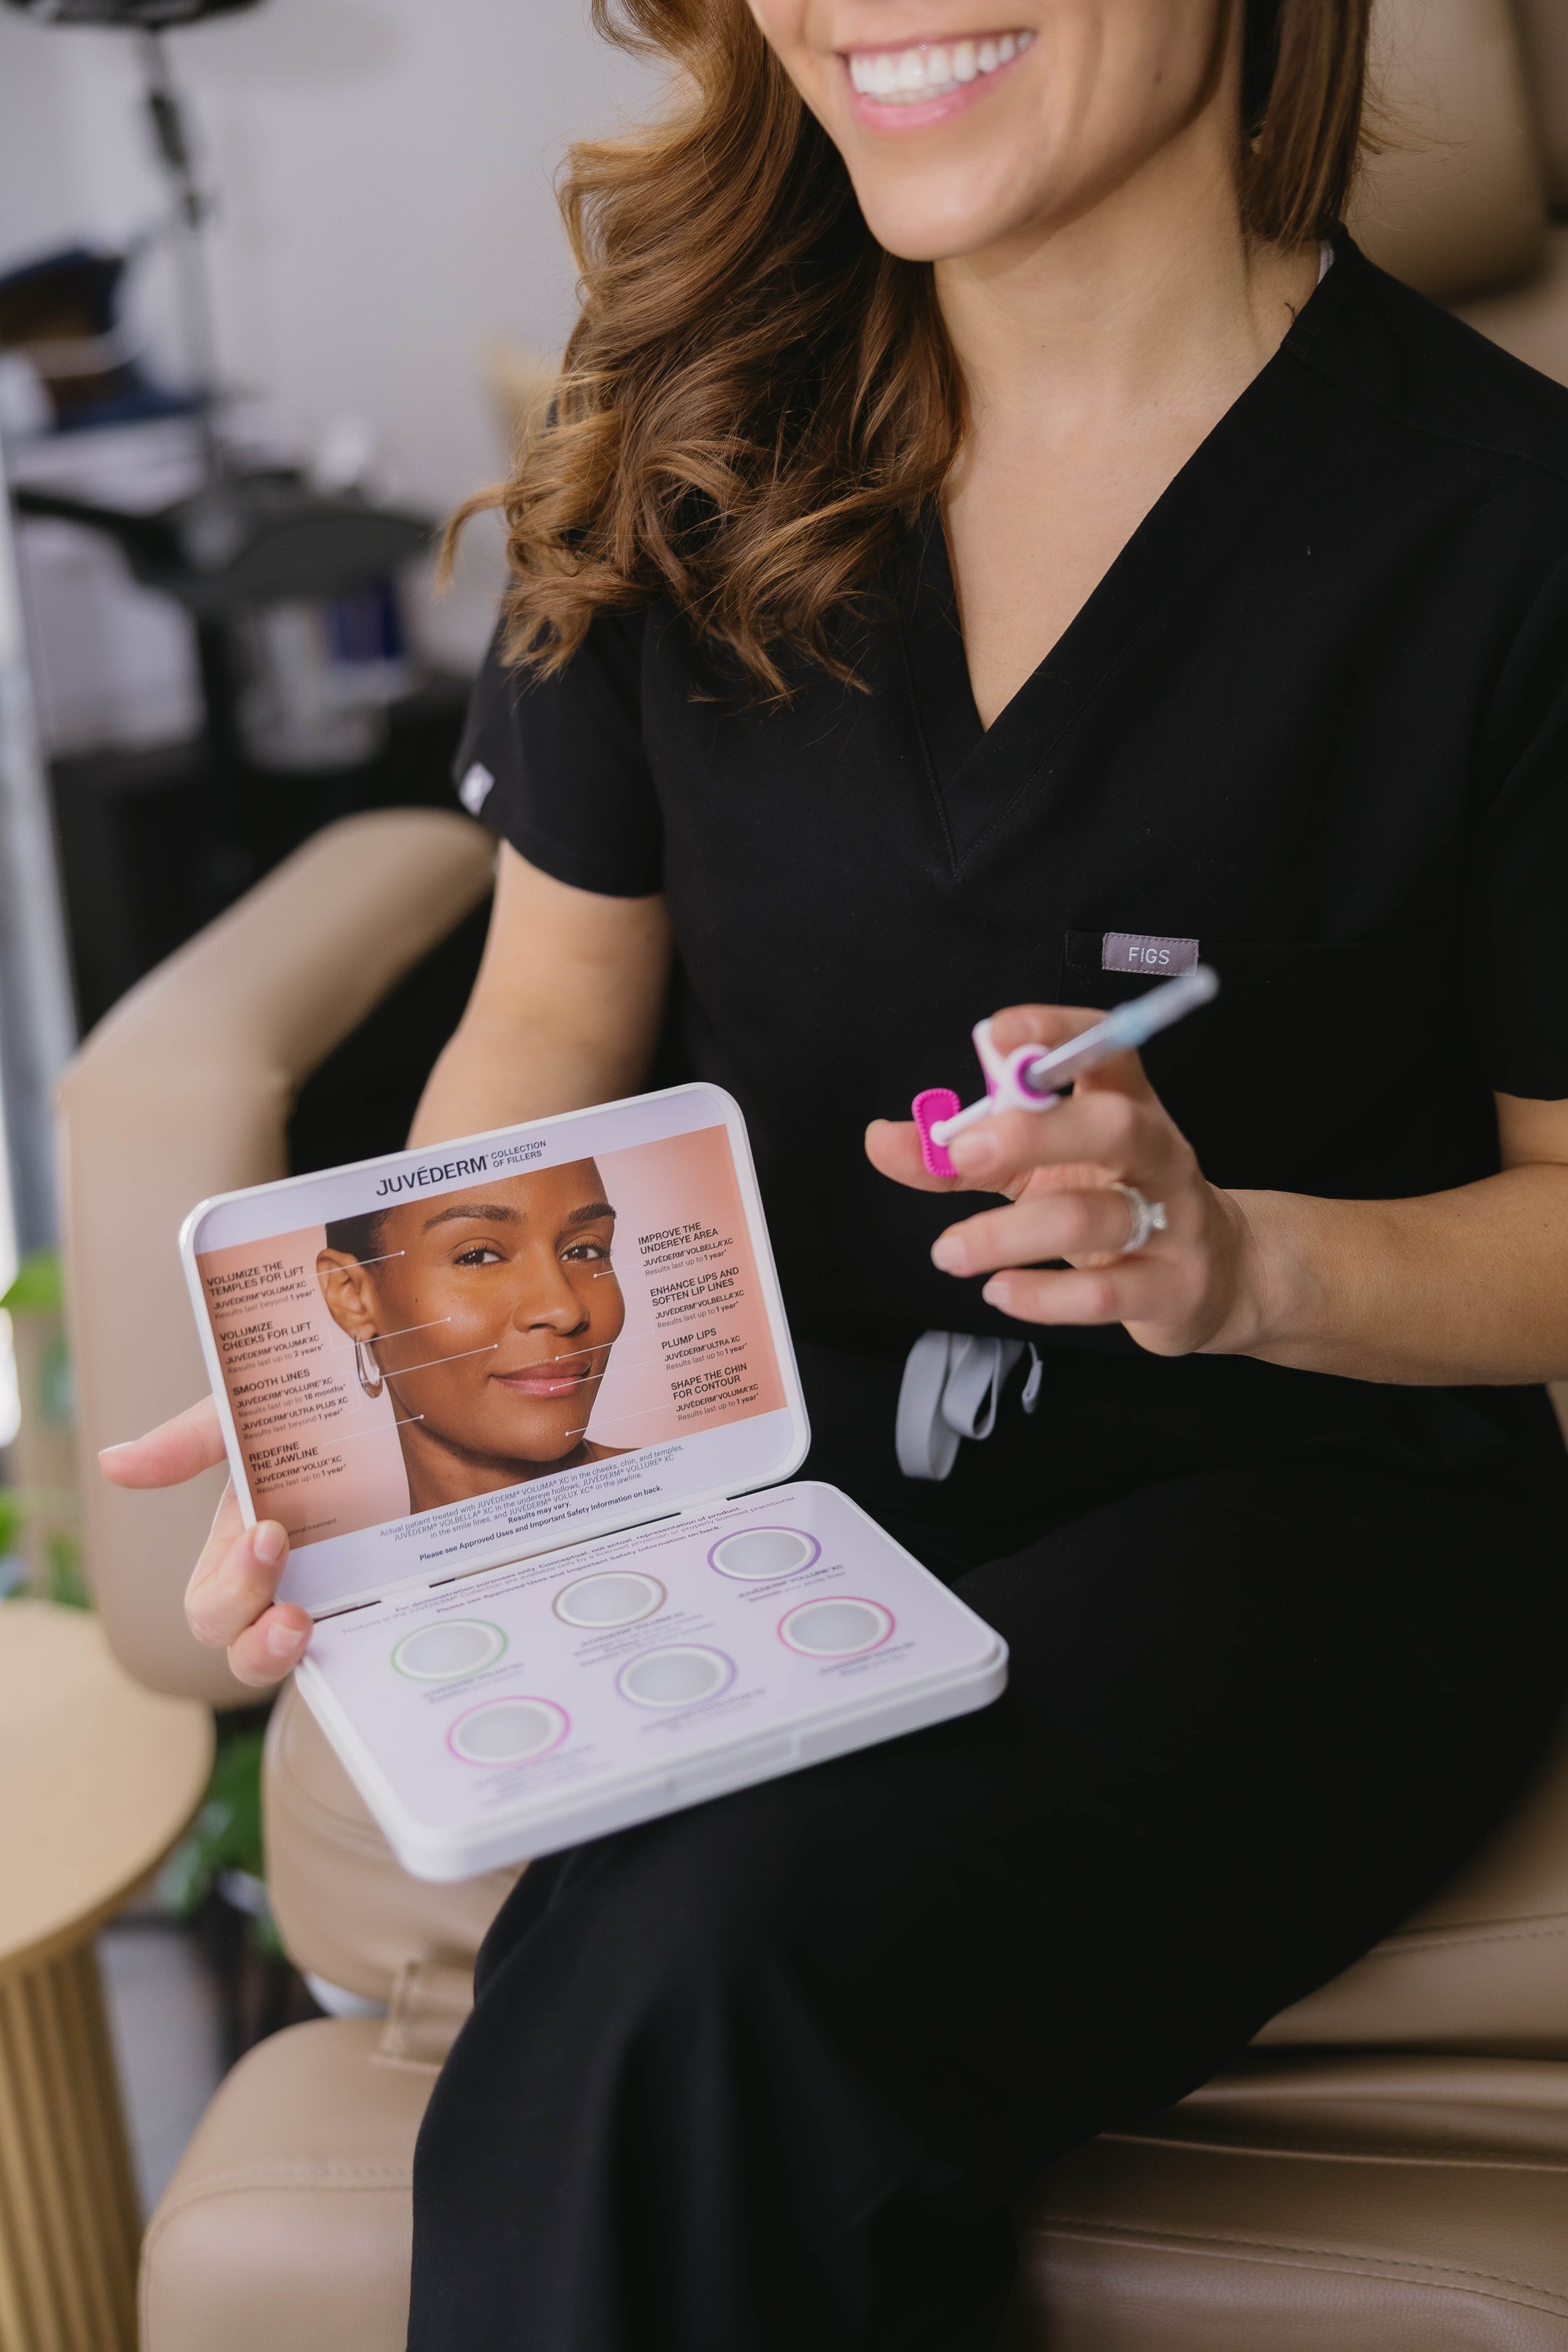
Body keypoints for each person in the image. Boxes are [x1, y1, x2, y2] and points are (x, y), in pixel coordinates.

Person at [102, 0, 1568, 2342]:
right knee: (636, 1975)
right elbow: (543, 1032)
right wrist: (370, 1430)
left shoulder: (1504, 527)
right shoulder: (692, 416)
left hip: (1296, 1504)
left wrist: (1230, 1252)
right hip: (761, 1480)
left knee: (694, 1979)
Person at [314, 1162, 627, 1515]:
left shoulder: (699, 1489)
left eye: (584, 1251)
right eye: (478, 1257)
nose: (564, 1311)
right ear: (353, 1297)